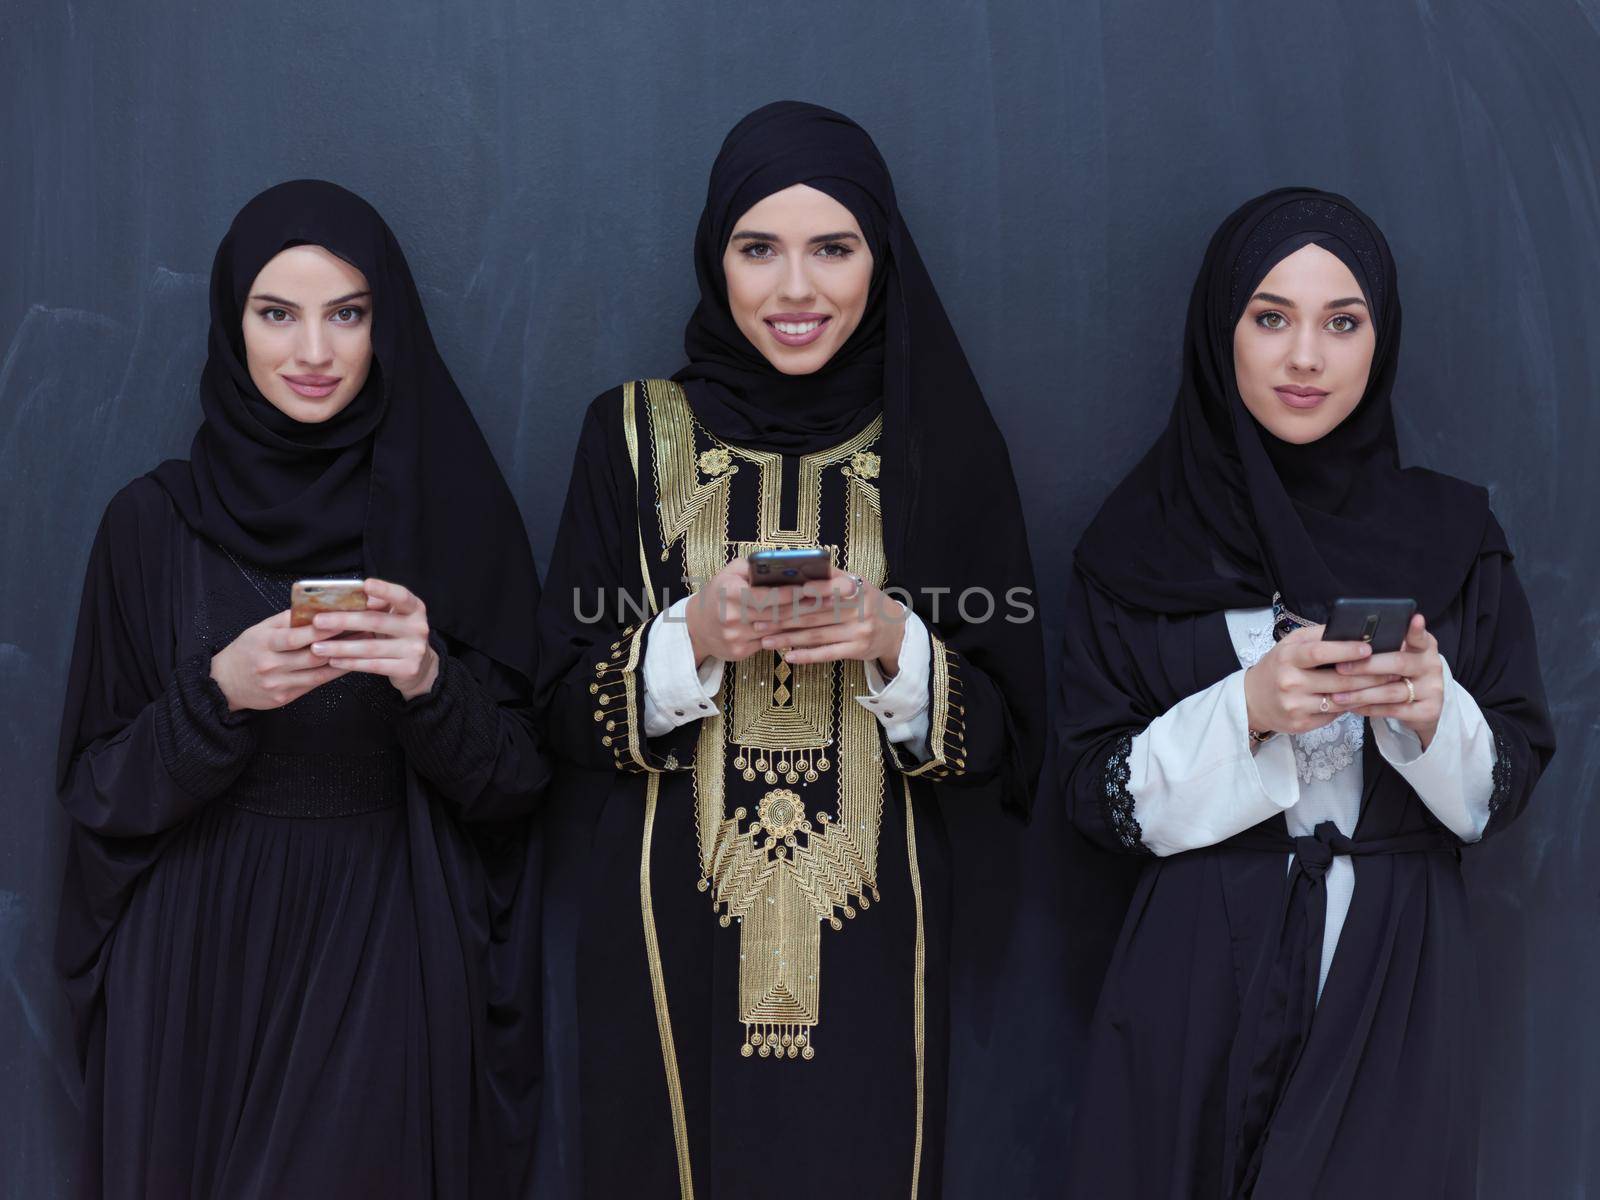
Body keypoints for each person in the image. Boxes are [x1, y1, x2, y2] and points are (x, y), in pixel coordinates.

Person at [536, 101, 1045, 1197]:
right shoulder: (630, 435)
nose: (795, 289)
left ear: (882, 259)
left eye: (834, 249)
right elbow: (552, 713)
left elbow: (1009, 741)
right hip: (664, 946)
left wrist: (895, 640)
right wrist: (692, 641)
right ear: (714, 257)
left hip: (875, 954)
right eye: (757, 249)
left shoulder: (938, 446)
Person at [55, 180, 550, 1199]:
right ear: (233, 322)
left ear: (387, 327)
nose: (313, 351)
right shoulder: (151, 526)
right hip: (194, 959)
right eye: (277, 313)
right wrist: (218, 694)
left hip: (382, 945)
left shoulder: (445, 514)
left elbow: (517, 786)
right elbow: (96, 791)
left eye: (349, 314)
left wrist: (428, 680)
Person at [1059, 187, 1556, 1197]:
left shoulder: (1453, 539)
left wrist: (1428, 714)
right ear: (1219, 332)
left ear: (1381, 337)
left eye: (1342, 321)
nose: (1305, 358)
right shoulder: (1134, 544)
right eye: (1270, 317)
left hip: (1394, 958)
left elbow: (1507, 771)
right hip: (1197, 963)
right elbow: (1088, 789)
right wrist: (1246, 709)